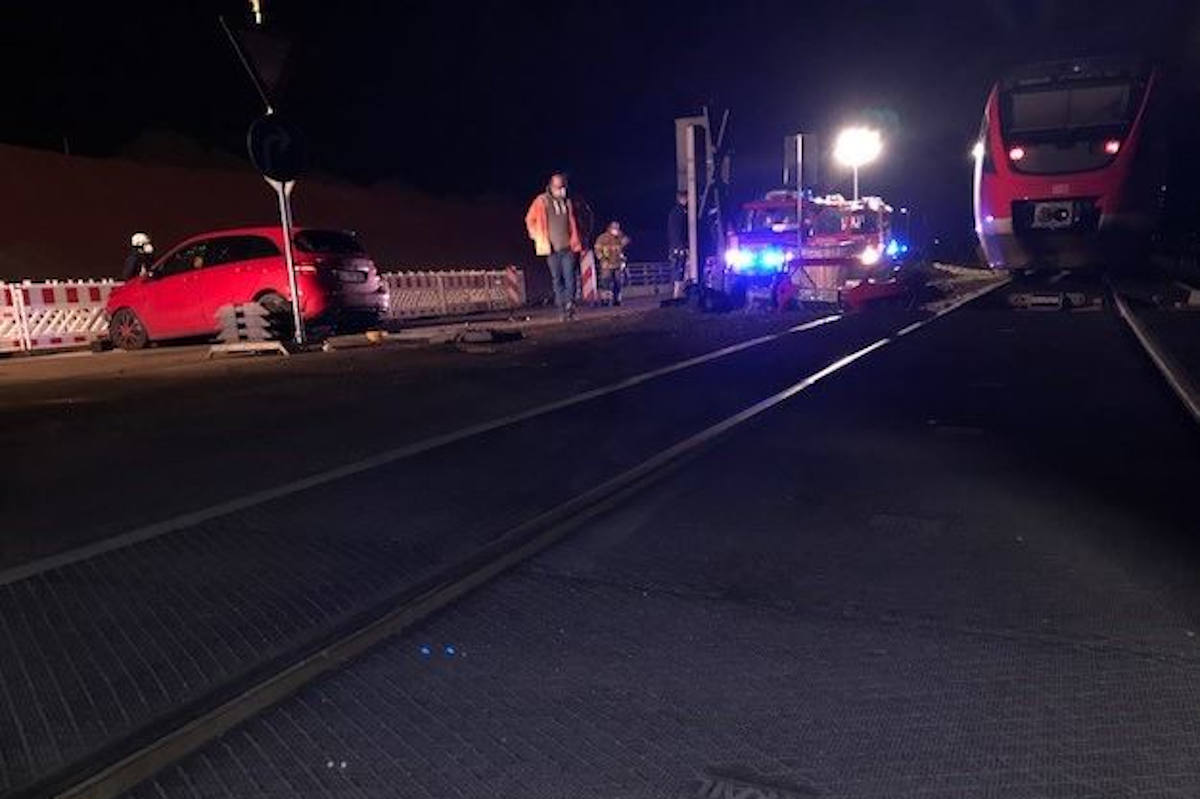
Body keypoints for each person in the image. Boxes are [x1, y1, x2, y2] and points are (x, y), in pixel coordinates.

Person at [525, 173, 583, 320]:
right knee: (557, 279)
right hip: (551, 248)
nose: (561, 189)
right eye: (558, 186)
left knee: (570, 277)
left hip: (568, 247)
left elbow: (576, 220)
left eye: (562, 186)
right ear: (551, 186)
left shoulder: (567, 202)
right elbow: (529, 219)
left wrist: (577, 237)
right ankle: (561, 308)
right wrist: (536, 235)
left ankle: (570, 304)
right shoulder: (542, 200)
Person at [594, 221, 630, 306]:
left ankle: (617, 299)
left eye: (617, 228)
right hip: (606, 265)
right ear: (610, 228)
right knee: (605, 283)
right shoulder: (602, 238)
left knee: (618, 282)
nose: (616, 230)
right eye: (614, 228)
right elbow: (597, 250)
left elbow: (625, 245)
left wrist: (625, 241)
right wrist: (602, 259)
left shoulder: (620, 237)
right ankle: (605, 300)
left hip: (618, 264)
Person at [667, 191, 689, 298]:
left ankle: (677, 292)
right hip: (678, 246)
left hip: (675, 245)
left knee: (677, 268)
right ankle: (677, 293)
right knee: (679, 268)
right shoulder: (680, 212)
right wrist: (680, 246)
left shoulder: (675, 212)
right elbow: (679, 230)